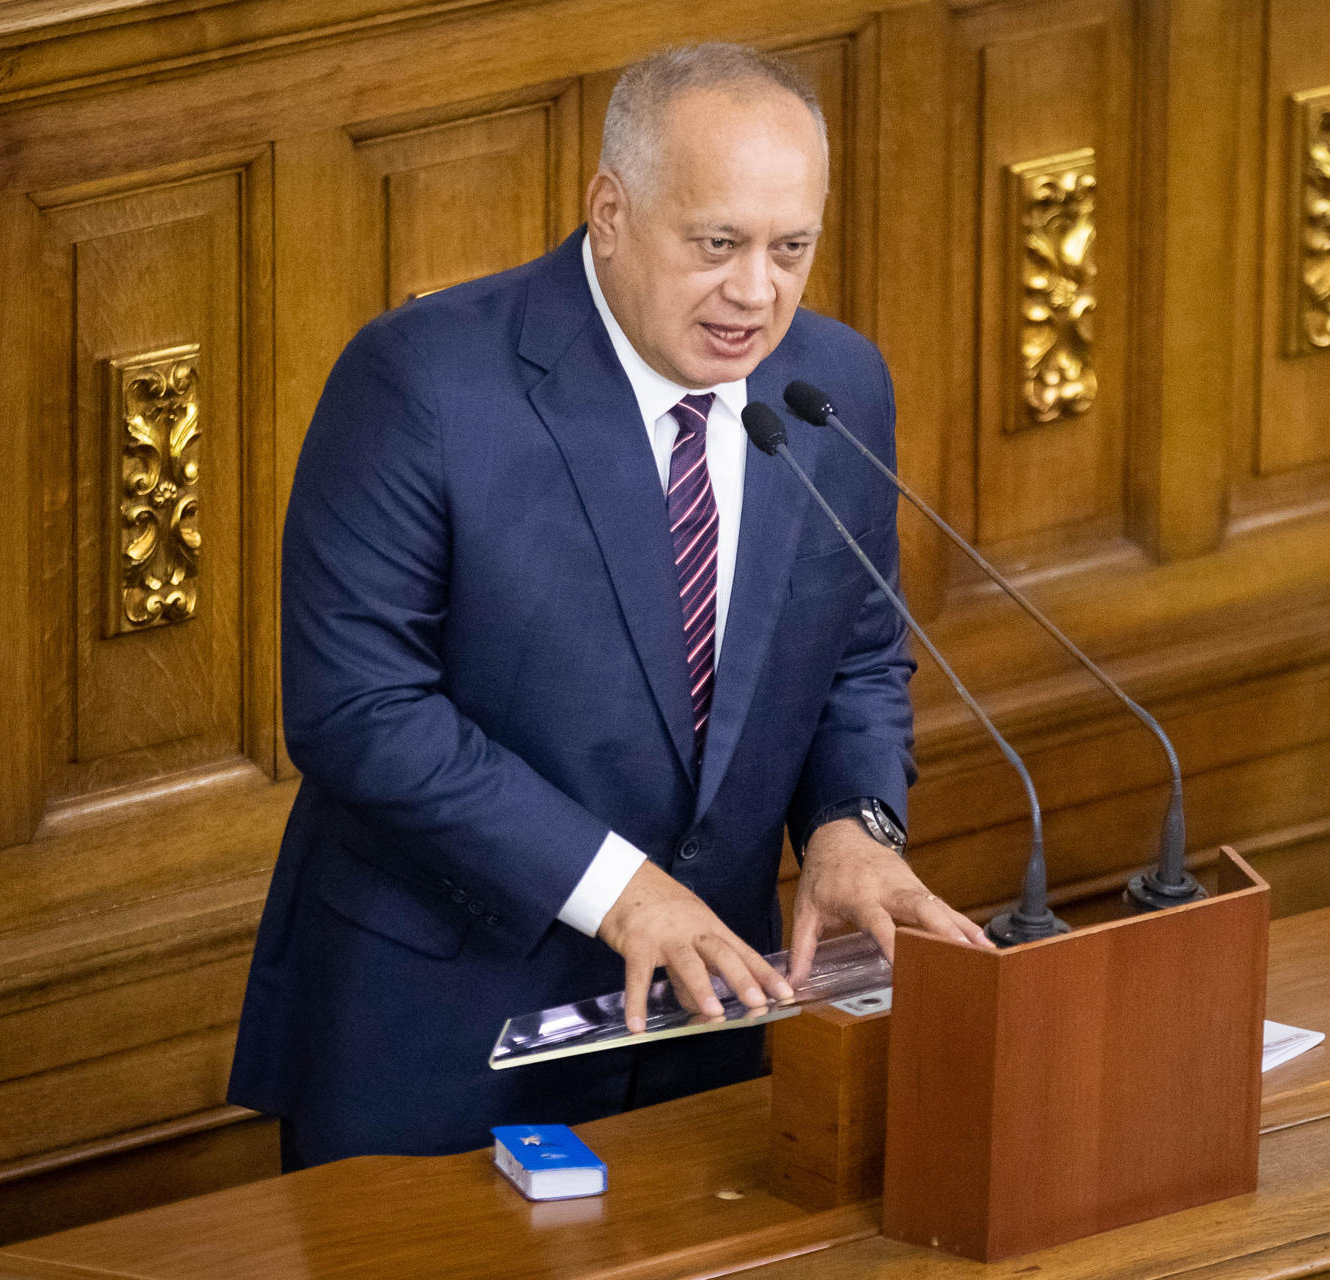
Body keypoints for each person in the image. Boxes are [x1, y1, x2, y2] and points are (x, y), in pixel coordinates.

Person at [228, 41, 991, 1170]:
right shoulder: (422, 384)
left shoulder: (832, 388)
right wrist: (622, 890)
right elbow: (360, 709)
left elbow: (857, 655)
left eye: (792, 249)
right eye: (717, 243)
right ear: (611, 210)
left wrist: (853, 829)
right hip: (442, 1033)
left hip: (709, 1031)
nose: (756, 292)